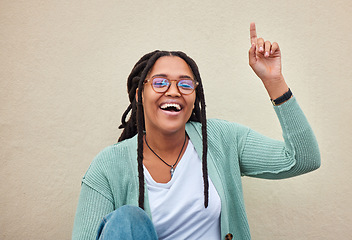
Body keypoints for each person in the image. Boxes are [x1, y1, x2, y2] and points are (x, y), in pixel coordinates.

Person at [72, 22, 321, 240]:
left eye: (185, 83)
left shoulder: (222, 139)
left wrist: (273, 80)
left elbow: (303, 159)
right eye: (159, 82)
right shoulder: (107, 167)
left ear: (195, 95)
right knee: (127, 219)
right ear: (139, 94)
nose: (173, 91)